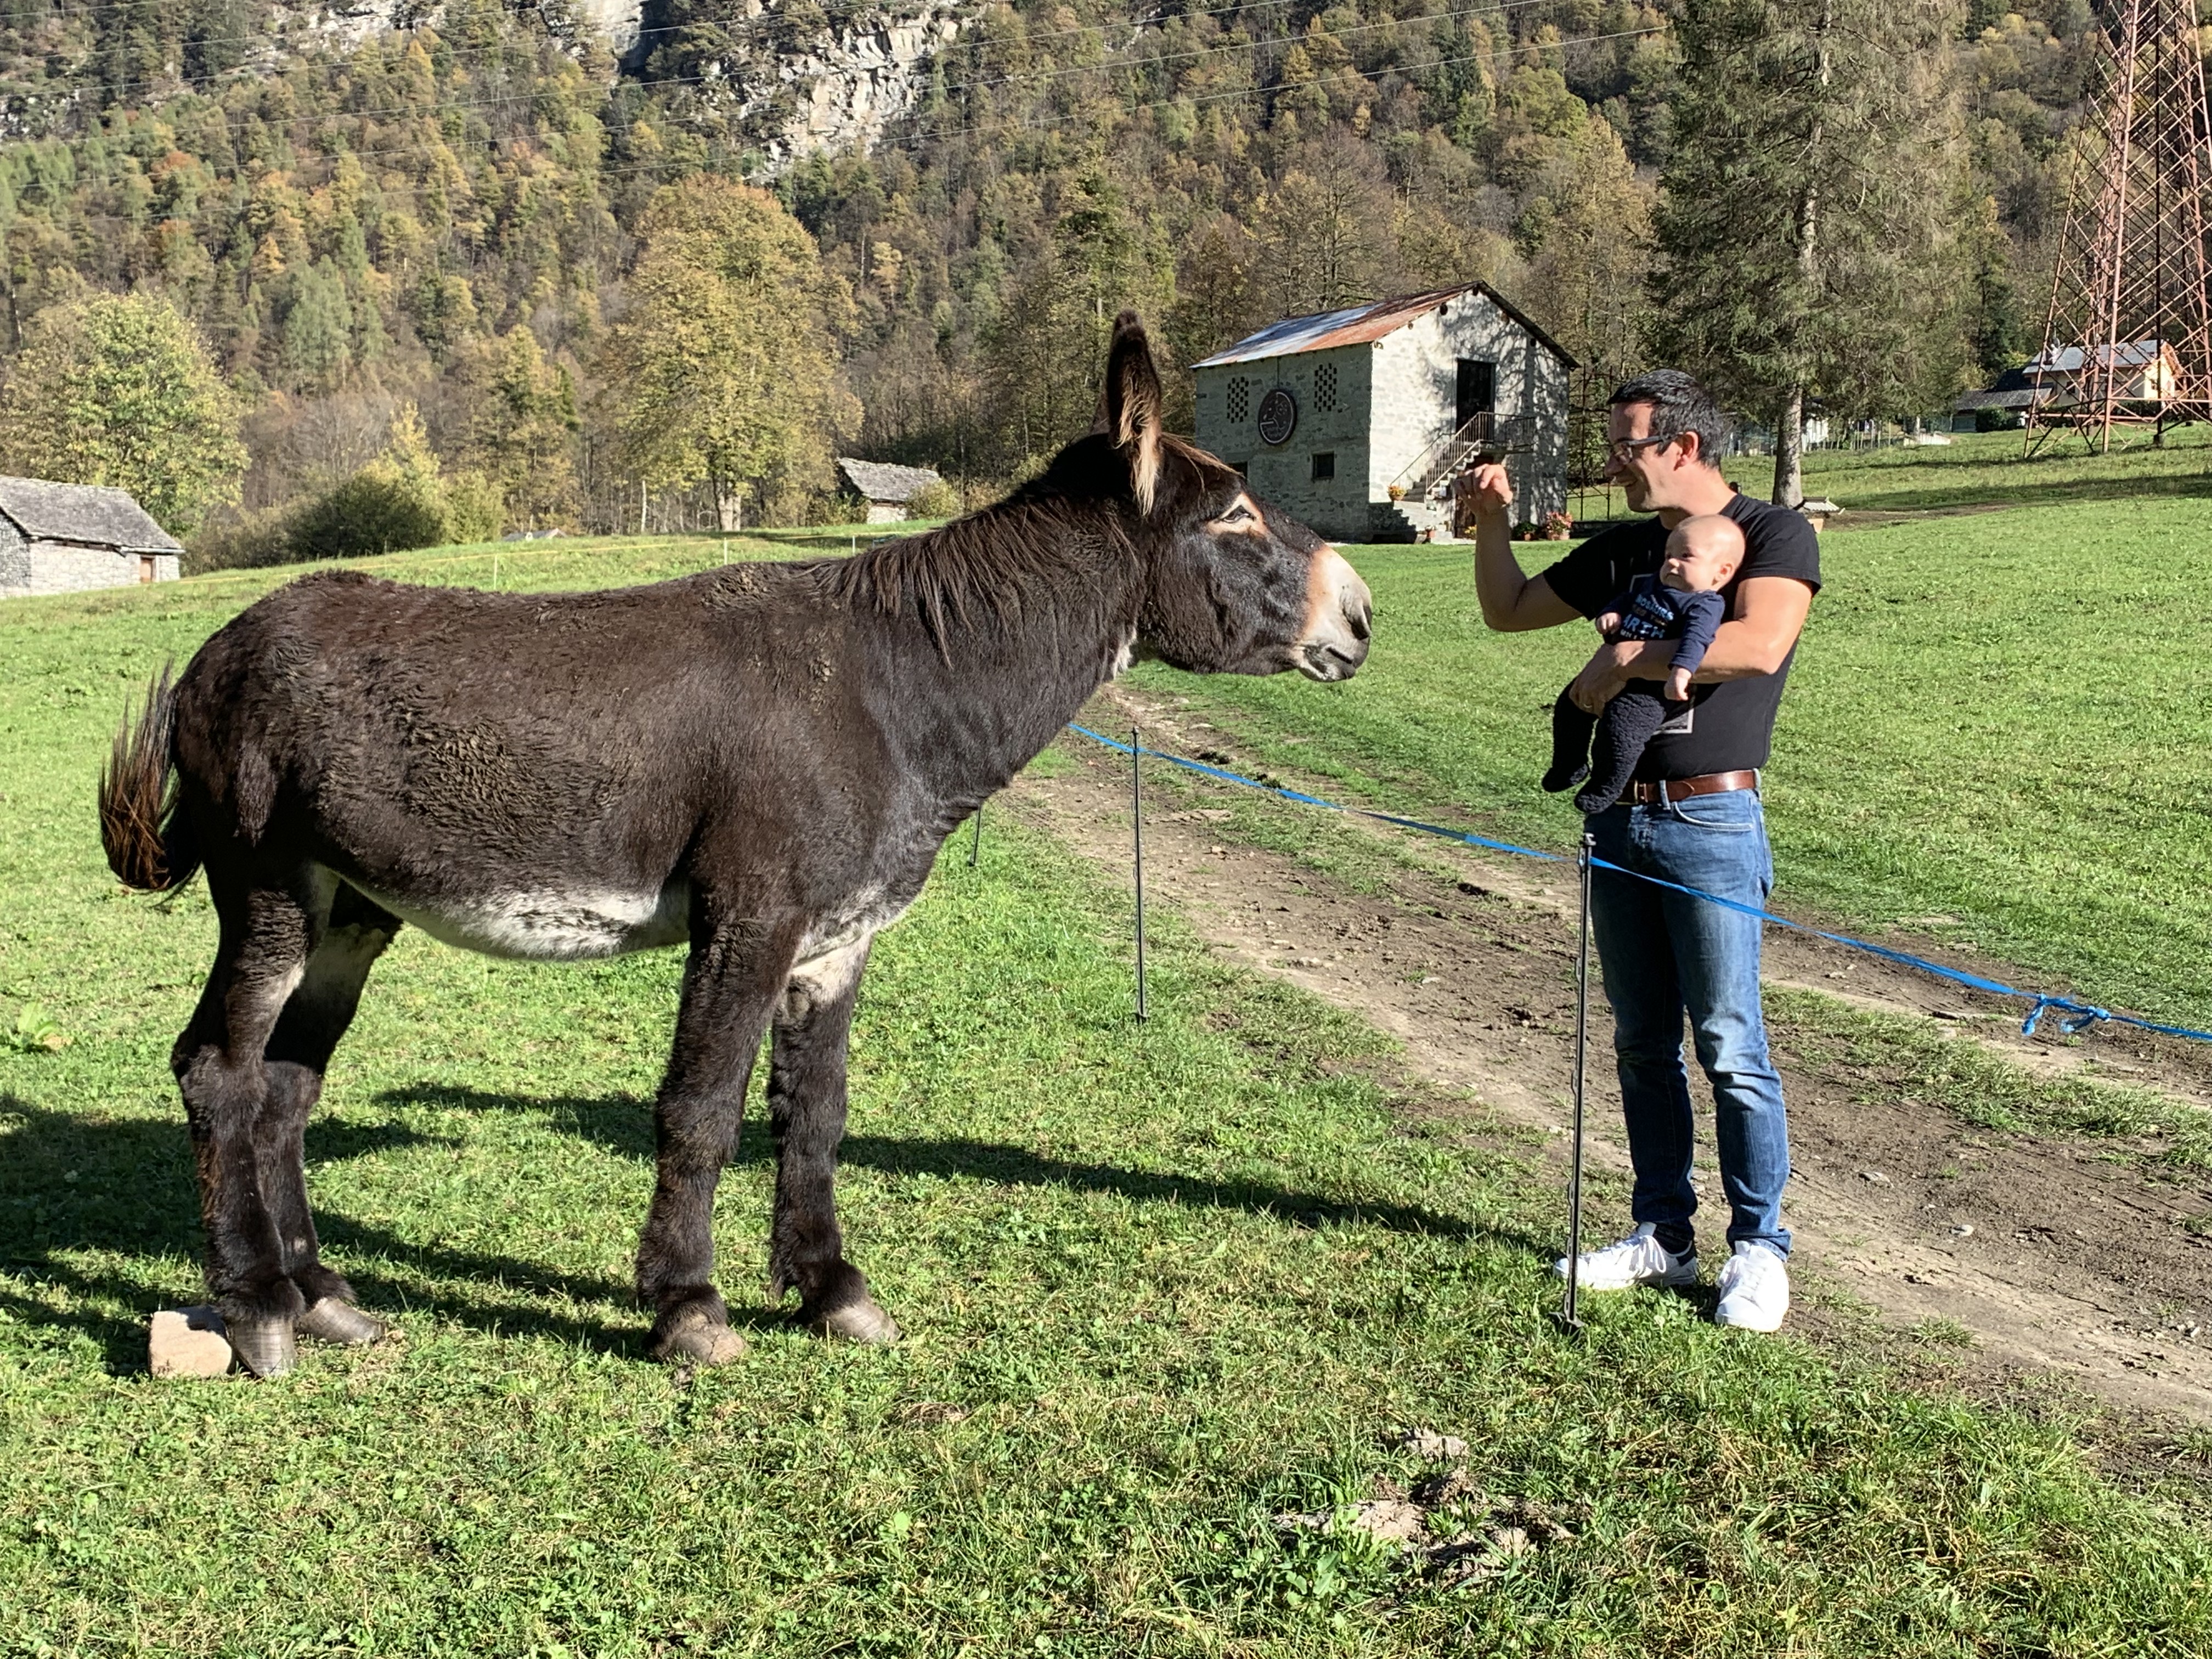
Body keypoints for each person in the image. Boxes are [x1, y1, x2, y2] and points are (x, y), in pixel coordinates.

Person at [1465, 369, 1820, 1333]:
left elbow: (1758, 643)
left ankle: (1758, 1247)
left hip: (1712, 820)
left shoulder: (1772, 532)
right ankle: (1663, 1233)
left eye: (1628, 443)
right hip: (1619, 816)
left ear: (1684, 446)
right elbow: (1509, 611)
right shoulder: (1624, 546)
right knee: (1638, 1040)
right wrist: (1487, 521)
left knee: (1729, 1040)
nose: (1614, 460)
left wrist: (1628, 660)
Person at [1543, 514, 1744, 815]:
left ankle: (1606, 784)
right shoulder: (1656, 584)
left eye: (1686, 556)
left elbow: (1696, 642)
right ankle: (1569, 764)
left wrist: (1681, 673)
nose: (1672, 563)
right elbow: (1627, 598)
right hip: (1610, 674)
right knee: (1569, 706)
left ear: (1721, 572)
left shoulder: (1704, 604)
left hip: (1648, 690)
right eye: (1668, 555)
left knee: (1619, 732)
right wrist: (1613, 612)